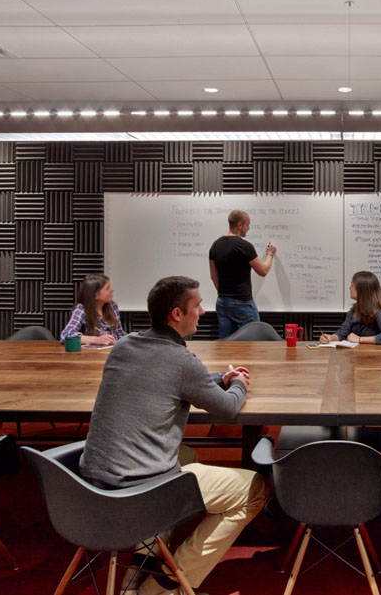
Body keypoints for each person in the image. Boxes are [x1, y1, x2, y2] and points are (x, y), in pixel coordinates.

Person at [79, 276, 266, 595]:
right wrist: (238, 385)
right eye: (197, 305)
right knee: (254, 489)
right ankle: (165, 586)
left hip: (92, 487)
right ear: (177, 314)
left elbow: (167, 379)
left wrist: (220, 376)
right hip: (142, 491)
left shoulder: (125, 346)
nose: (203, 312)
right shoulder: (181, 361)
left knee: (187, 456)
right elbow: (227, 410)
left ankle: (135, 574)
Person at [208, 210, 277, 339]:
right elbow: (263, 270)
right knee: (253, 342)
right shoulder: (244, 246)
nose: (248, 228)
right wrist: (270, 254)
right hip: (242, 303)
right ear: (239, 225)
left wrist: (225, 295)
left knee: (225, 344)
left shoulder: (215, 245)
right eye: (247, 225)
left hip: (222, 302)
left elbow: (213, 275)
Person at [320, 270, 381, 345]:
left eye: (352, 285)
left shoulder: (379, 313)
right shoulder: (353, 311)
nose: (349, 288)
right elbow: (342, 333)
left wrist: (360, 339)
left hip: (374, 356)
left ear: (361, 290)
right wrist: (331, 338)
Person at [59, 273, 125, 345]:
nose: (112, 290)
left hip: (112, 352)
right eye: (107, 288)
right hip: (90, 354)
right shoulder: (81, 309)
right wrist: (96, 340)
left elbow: (120, 334)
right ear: (95, 295)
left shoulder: (113, 306)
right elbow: (65, 336)